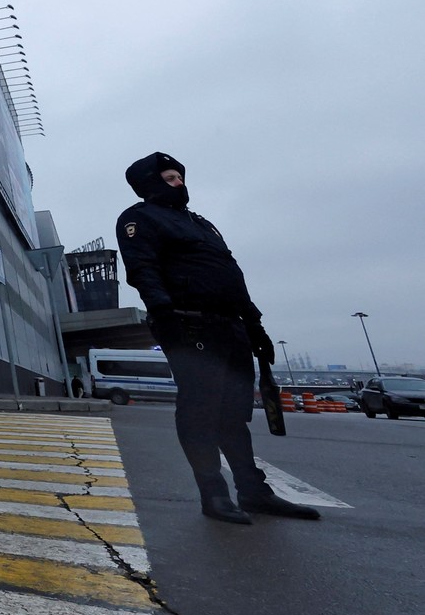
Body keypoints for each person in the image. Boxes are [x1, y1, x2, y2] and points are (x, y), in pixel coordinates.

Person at [116, 152, 320, 524]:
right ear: (151, 183)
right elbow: (142, 269)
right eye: (170, 177)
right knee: (200, 410)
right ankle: (213, 495)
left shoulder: (202, 224)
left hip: (230, 326)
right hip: (188, 324)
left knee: (232, 414)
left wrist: (254, 325)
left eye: (180, 176)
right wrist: (165, 313)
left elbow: (230, 273)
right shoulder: (138, 218)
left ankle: (254, 492)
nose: (180, 182)